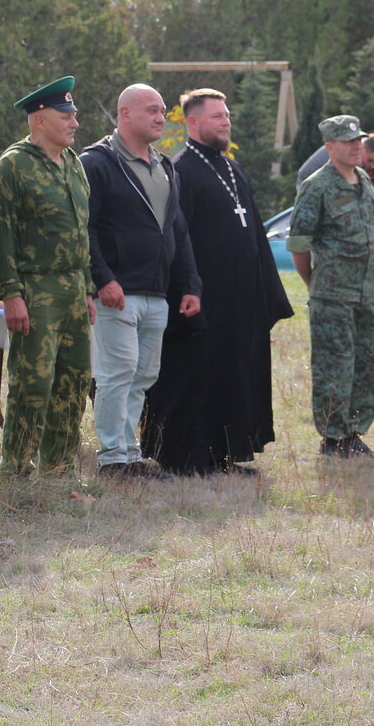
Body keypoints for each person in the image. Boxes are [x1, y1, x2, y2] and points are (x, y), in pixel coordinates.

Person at [141, 89, 293, 476]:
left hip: (239, 300)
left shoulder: (232, 169)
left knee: (234, 373)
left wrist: (265, 294)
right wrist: (185, 290)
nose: (226, 122)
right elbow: (175, 239)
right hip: (202, 299)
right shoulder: (181, 171)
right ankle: (189, 457)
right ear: (193, 122)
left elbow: (255, 234)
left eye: (226, 115)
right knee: (198, 377)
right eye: (217, 117)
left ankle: (225, 453)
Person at [81, 84, 202, 482]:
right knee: (116, 375)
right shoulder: (96, 163)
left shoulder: (164, 166)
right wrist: (103, 279)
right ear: (124, 114)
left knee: (141, 377)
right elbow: (86, 228)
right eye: (151, 110)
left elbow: (178, 230)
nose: (160, 118)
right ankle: (112, 460)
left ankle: (129, 454)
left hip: (157, 293)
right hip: (117, 294)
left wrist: (190, 284)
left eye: (162, 111)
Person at [0, 76, 96, 481]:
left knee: (74, 380)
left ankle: (58, 468)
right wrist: (11, 294)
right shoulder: (13, 165)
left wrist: (87, 288)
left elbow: (82, 231)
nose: (74, 123)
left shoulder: (73, 163)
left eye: (74, 115)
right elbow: (1, 235)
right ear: (39, 120)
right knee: (33, 382)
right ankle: (16, 468)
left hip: (73, 288)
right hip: (36, 288)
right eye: (65, 116)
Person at [289, 114, 374, 459]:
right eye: (348, 142)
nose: (356, 146)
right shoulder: (317, 185)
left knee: (368, 367)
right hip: (332, 296)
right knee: (335, 369)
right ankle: (333, 439)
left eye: (358, 140)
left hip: (366, 294)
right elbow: (299, 243)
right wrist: (313, 283)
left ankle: (353, 434)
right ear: (330, 147)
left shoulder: (363, 179)